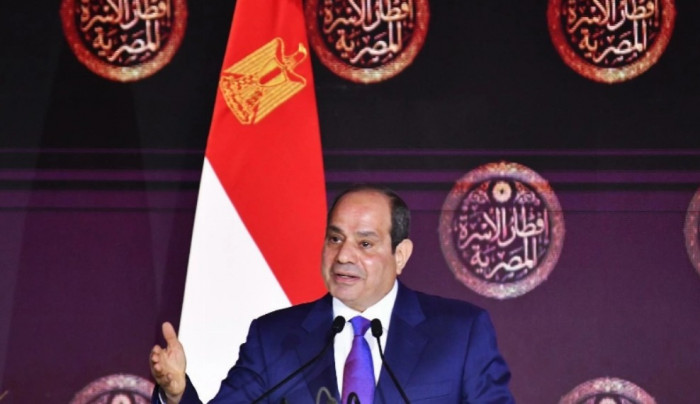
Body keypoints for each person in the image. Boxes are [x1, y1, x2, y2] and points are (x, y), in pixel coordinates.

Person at [150, 185, 515, 403]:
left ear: (400, 255)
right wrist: (177, 394)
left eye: (365, 243)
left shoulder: (461, 332)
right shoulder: (274, 338)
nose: (343, 256)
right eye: (335, 239)